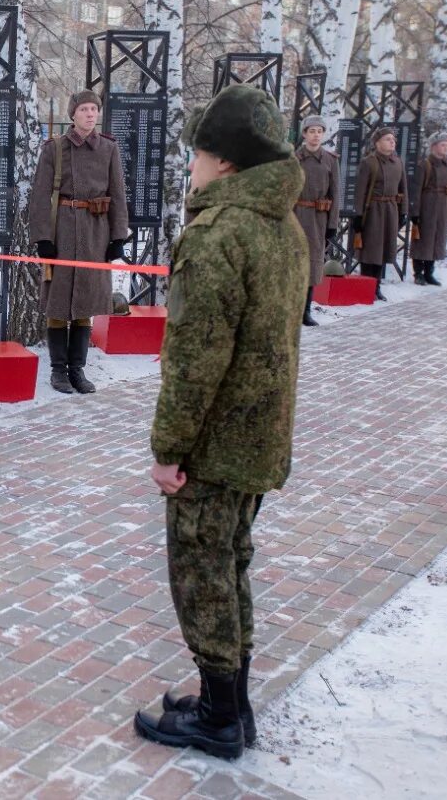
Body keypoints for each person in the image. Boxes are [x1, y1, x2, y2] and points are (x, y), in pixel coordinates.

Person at [133, 85, 307, 760]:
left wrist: (168, 449)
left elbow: (194, 362)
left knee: (202, 573)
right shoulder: (283, 226)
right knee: (230, 565)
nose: (194, 166)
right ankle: (229, 703)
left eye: (200, 153)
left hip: (213, 443)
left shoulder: (217, 234)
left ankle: (219, 719)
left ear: (227, 163)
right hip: (260, 436)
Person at [27, 89, 130, 394]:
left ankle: (78, 371)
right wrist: (43, 238)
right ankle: (58, 372)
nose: (89, 114)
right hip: (62, 231)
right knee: (59, 303)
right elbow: (39, 198)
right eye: (83, 109)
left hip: (96, 233)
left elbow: (118, 196)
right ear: (72, 114)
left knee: (86, 302)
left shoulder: (108, 149)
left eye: (94, 109)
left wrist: (117, 238)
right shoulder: (55, 149)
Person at [293, 115, 339, 326]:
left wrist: (332, 225)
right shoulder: (294, 159)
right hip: (296, 216)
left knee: (313, 264)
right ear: (304, 134)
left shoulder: (330, 161)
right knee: (294, 263)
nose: (315, 135)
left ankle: (306, 310)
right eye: (311, 131)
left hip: (318, 219)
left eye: (319, 131)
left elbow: (335, 195)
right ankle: (292, 310)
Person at [352, 127, 408, 301]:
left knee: (384, 250)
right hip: (373, 211)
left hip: (390, 210)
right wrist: (358, 216)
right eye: (387, 139)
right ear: (377, 143)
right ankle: (366, 286)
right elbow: (360, 191)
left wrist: (403, 211)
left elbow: (403, 189)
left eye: (393, 139)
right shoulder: (369, 163)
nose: (392, 142)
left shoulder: (398, 163)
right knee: (371, 251)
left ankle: (376, 287)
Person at [410, 132, 447, 286]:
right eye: (442, 145)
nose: (445, 148)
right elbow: (417, 190)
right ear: (434, 146)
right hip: (427, 206)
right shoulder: (425, 165)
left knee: (438, 239)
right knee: (422, 239)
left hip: (443, 207)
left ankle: (429, 272)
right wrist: (415, 213)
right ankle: (418, 273)